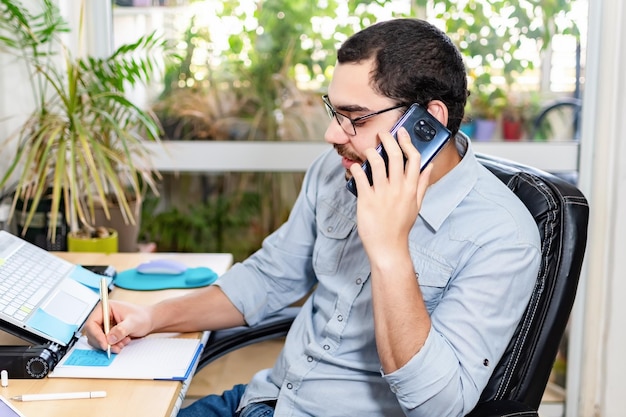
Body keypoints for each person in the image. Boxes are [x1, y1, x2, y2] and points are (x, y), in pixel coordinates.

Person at [85, 18, 541, 417]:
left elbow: (439, 404)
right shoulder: (337, 172)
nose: (330, 135)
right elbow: (271, 277)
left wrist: (389, 252)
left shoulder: (502, 236)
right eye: (333, 111)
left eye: (355, 119)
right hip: (266, 400)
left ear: (429, 122)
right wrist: (152, 317)